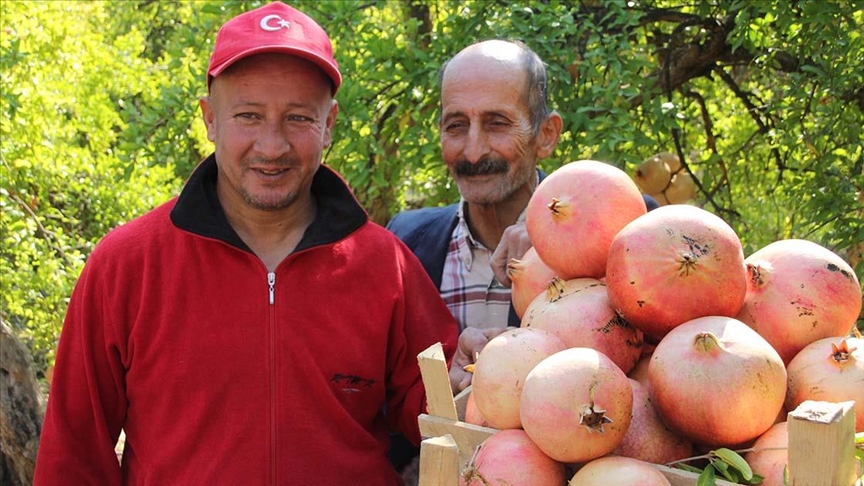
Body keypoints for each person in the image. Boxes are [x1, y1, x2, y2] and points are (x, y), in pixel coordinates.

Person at [33, 2, 457, 485]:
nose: (272, 146)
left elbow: (441, 408)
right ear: (210, 118)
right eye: (248, 116)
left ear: (330, 124)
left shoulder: (384, 265)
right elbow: (72, 454)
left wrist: (482, 374)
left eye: (298, 118)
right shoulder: (128, 266)